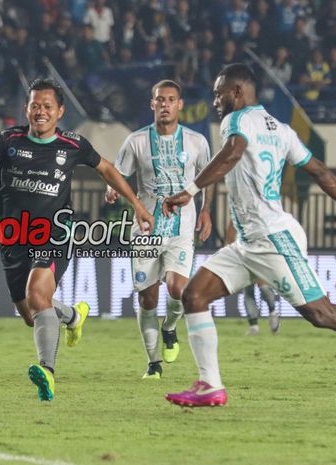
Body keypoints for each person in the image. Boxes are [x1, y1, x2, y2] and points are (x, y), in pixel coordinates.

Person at [162, 63, 336, 407]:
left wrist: (191, 188)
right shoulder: (281, 130)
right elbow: (318, 169)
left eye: (218, 93)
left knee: (322, 315)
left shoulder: (235, 122)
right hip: (249, 243)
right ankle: (210, 385)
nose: (215, 101)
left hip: (273, 239)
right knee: (194, 296)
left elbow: (233, 151)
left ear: (236, 92)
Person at [0, 78, 153, 401]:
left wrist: (135, 204)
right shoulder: (7, 140)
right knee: (29, 313)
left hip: (55, 234)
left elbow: (106, 169)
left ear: (60, 111)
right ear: (27, 108)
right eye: (35, 105)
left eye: (48, 106)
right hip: (14, 237)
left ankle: (47, 373)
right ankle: (73, 316)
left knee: (37, 295)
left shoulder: (72, 145)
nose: (40, 112)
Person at [105, 80, 213, 380]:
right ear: (152, 104)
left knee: (178, 289)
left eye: (170, 99)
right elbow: (118, 174)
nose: (165, 104)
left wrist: (206, 210)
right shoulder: (136, 141)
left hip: (182, 228)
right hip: (146, 231)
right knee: (147, 300)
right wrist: (111, 190)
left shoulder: (196, 142)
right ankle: (153, 363)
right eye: (159, 100)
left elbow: (208, 178)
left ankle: (169, 327)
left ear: (180, 105)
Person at [226, 220, 280, 335]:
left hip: (259, 256)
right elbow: (229, 239)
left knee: (263, 285)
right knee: (248, 290)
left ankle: (273, 312)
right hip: (243, 258)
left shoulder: (259, 217)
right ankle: (254, 326)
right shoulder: (236, 217)